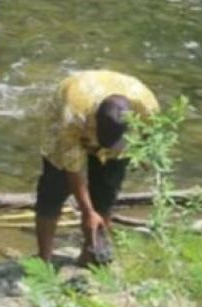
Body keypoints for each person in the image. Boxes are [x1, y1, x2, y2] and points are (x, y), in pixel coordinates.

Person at [34, 70, 158, 264]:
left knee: (106, 193)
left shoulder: (146, 105)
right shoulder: (73, 115)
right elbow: (72, 168)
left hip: (111, 122)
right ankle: (43, 260)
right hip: (66, 119)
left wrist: (144, 154)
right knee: (53, 189)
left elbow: (151, 133)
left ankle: (91, 255)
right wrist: (86, 211)